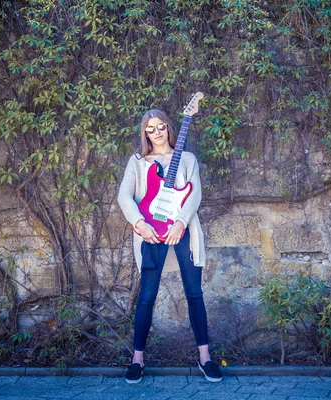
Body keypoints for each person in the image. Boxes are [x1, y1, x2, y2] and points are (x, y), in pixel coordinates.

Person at [117, 109, 222, 384]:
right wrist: (140, 223)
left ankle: (205, 358)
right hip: (150, 232)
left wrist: (181, 222)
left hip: (183, 230)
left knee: (194, 293)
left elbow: (194, 192)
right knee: (147, 296)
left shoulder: (187, 159)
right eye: (151, 128)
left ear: (168, 128)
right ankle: (137, 361)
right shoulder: (138, 161)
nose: (157, 132)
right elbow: (124, 196)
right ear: (145, 132)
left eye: (161, 126)